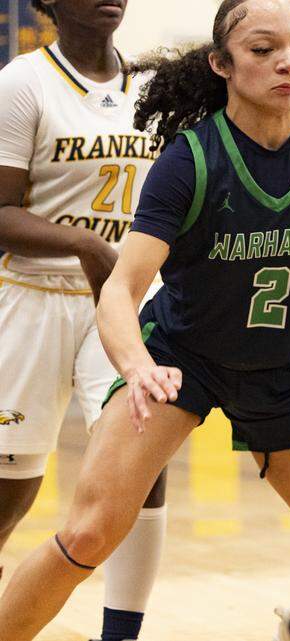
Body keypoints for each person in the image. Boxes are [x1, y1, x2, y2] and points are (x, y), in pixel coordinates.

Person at [0, 2, 290, 640]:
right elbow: (121, 289)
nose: (288, 62)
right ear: (222, 64)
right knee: (87, 531)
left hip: (288, 369)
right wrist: (136, 365)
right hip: (182, 357)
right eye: (263, 49)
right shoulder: (191, 159)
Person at [0, 2, 168, 639]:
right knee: (9, 490)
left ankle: (120, 634)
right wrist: (88, 245)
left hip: (124, 304)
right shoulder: (23, 82)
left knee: (139, 472)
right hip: (31, 299)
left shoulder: (155, 89)